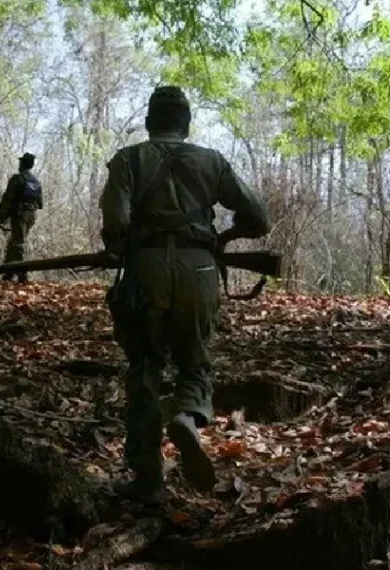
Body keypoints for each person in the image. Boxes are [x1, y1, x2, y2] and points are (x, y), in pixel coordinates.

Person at [99, 86, 270, 505]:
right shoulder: (212, 160)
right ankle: (187, 415)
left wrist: (127, 246)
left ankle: (148, 481)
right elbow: (259, 217)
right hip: (200, 269)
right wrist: (223, 237)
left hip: (147, 271)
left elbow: (114, 224)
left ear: (149, 122)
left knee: (144, 369)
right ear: (186, 124)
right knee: (195, 360)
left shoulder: (128, 159)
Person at [0, 152, 43, 283]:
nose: (19, 164)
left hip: (20, 215)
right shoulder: (36, 181)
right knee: (14, 242)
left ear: (23, 164)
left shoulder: (17, 179)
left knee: (18, 243)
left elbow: (6, 201)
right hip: (32, 215)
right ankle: (8, 273)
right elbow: (40, 203)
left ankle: (22, 275)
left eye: (20, 162)